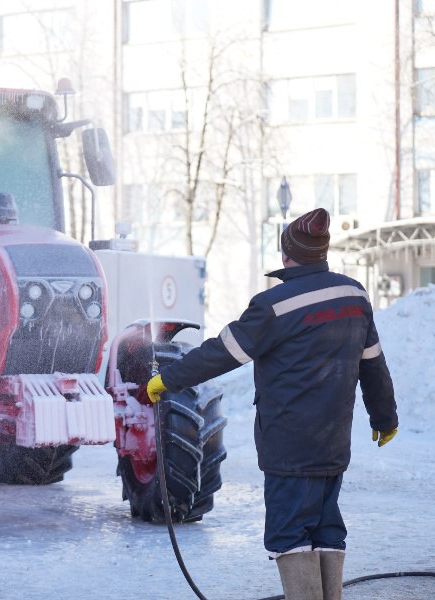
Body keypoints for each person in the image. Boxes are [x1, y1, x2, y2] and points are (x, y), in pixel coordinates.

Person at [146, 207, 398, 600]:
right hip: (334, 443)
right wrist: (385, 417)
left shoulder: (275, 305)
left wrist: (167, 379)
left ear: (286, 254)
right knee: (326, 525)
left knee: (289, 531)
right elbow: (373, 363)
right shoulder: (354, 295)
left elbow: (223, 353)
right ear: (323, 250)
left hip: (289, 446)